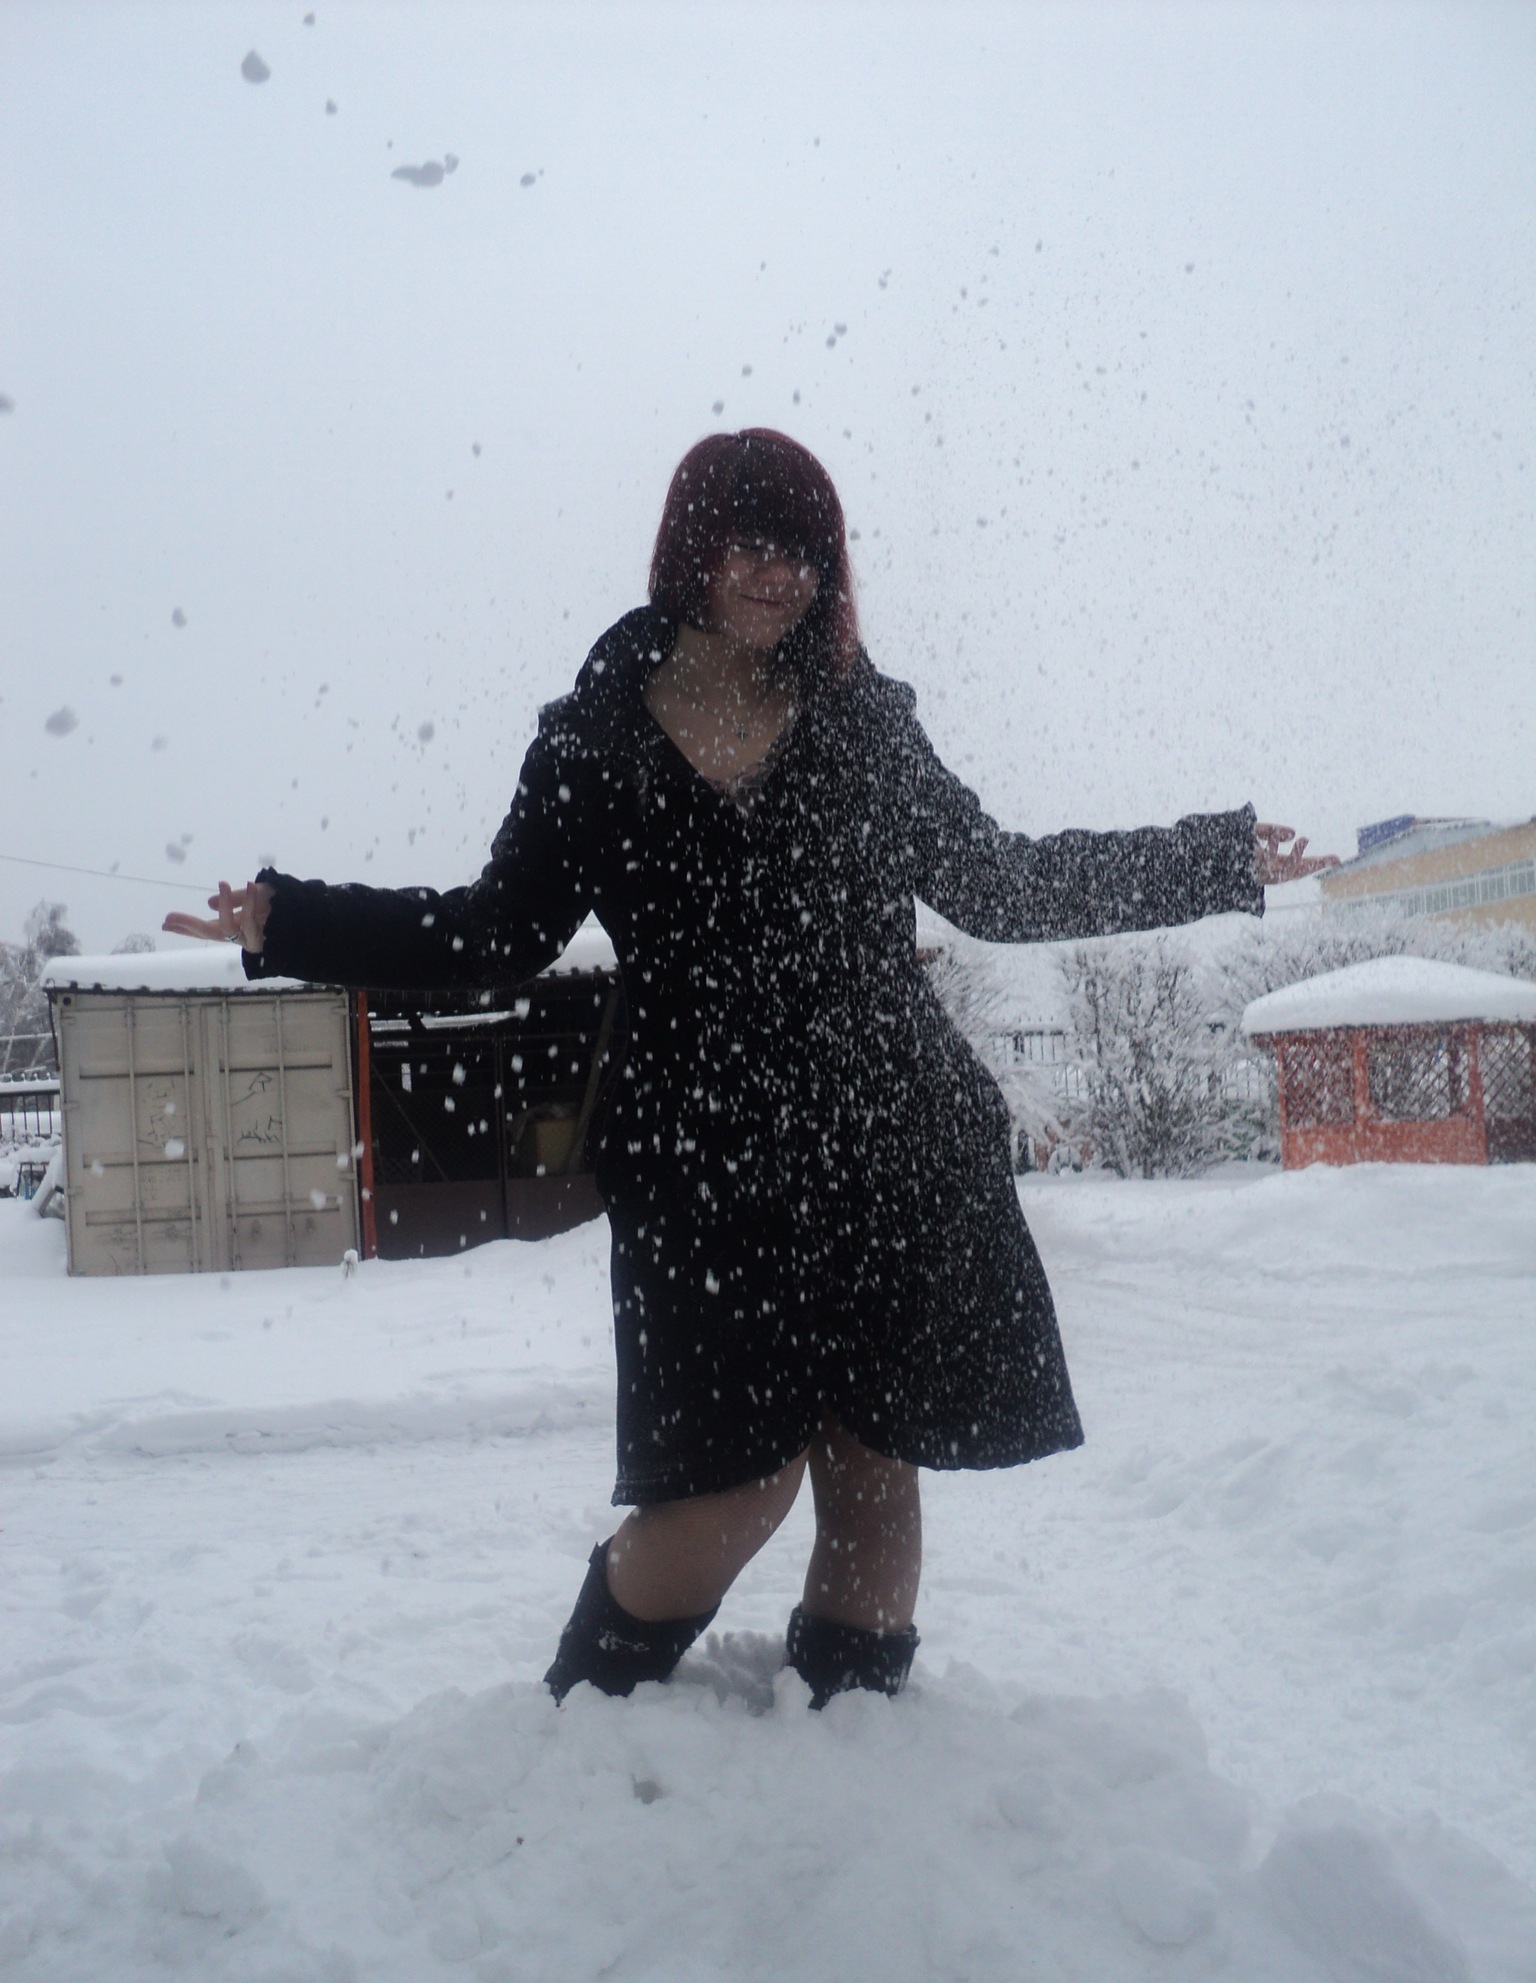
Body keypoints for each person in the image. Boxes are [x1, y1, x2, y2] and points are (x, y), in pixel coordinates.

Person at [165, 429, 1335, 1708]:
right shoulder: (592, 742)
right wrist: (290, 921)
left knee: (874, 1462)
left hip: (887, 1130)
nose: (781, 574)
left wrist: (1211, 859)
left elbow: (999, 880)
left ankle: (855, 1739)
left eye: (805, 551)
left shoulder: (864, 721)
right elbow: (495, 930)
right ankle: (581, 1728)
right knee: (727, 1490)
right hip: (700, 1157)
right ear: (693, 550)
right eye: (752, 544)